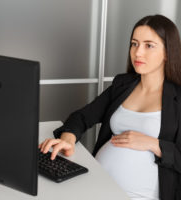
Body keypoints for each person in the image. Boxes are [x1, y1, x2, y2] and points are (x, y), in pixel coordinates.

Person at [39, 14, 181, 200]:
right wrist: (68, 138)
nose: (137, 53)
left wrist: (153, 144)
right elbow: (82, 117)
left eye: (149, 45)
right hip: (98, 184)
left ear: (167, 53)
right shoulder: (122, 85)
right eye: (134, 43)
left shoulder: (177, 98)